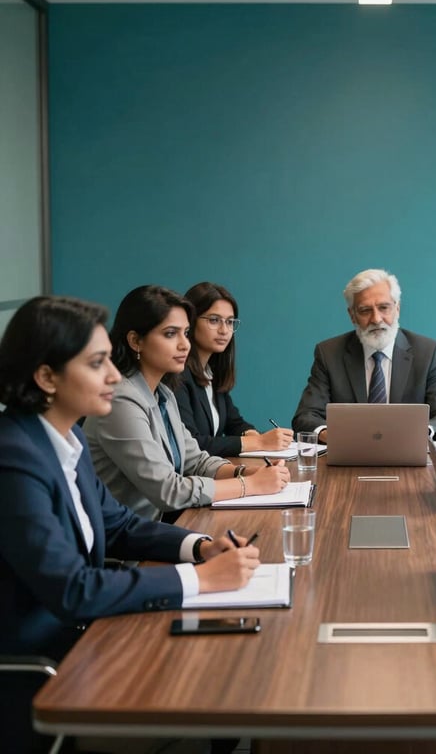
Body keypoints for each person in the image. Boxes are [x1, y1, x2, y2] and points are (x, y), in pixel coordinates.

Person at [0, 296, 261, 752]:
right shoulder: (14, 458)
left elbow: (119, 525)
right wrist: (198, 578)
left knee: (234, 662)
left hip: (87, 632)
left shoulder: (65, 436)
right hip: (43, 659)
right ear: (46, 377)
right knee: (220, 683)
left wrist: (201, 546)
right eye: (97, 363)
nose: (115, 376)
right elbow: (73, 589)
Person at [84, 285, 290, 522]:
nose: (185, 344)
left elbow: (197, 461)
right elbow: (168, 491)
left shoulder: (163, 393)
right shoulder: (119, 401)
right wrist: (249, 485)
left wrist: (246, 471)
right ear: (135, 341)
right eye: (171, 334)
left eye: (186, 332)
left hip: (160, 528)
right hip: (128, 546)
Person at [292, 268, 436, 442]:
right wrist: (330, 435)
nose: (376, 319)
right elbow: (305, 417)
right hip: (349, 456)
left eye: (384, 307)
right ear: (352, 316)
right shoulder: (329, 353)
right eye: (365, 310)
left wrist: (420, 433)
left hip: (408, 457)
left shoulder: (426, 351)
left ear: (397, 308)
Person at [175, 281, 293, 457]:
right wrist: (259, 442)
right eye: (214, 320)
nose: (224, 330)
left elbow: (234, 423)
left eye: (230, 322)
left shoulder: (210, 373)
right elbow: (191, 443)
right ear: (190, 322)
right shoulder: (177, 375)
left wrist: (251, 434)